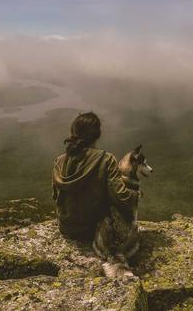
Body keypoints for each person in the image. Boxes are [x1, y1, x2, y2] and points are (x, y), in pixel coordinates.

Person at [52, 112, 138, 273]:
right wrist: (136, 194)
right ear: (97, 134)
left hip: (67, 226)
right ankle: (115, 258)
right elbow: (121, 197)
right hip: (92, 229)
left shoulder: (59, 160)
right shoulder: (106, 159)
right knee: (123, 210)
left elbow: (57, 197)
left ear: (73, 132)